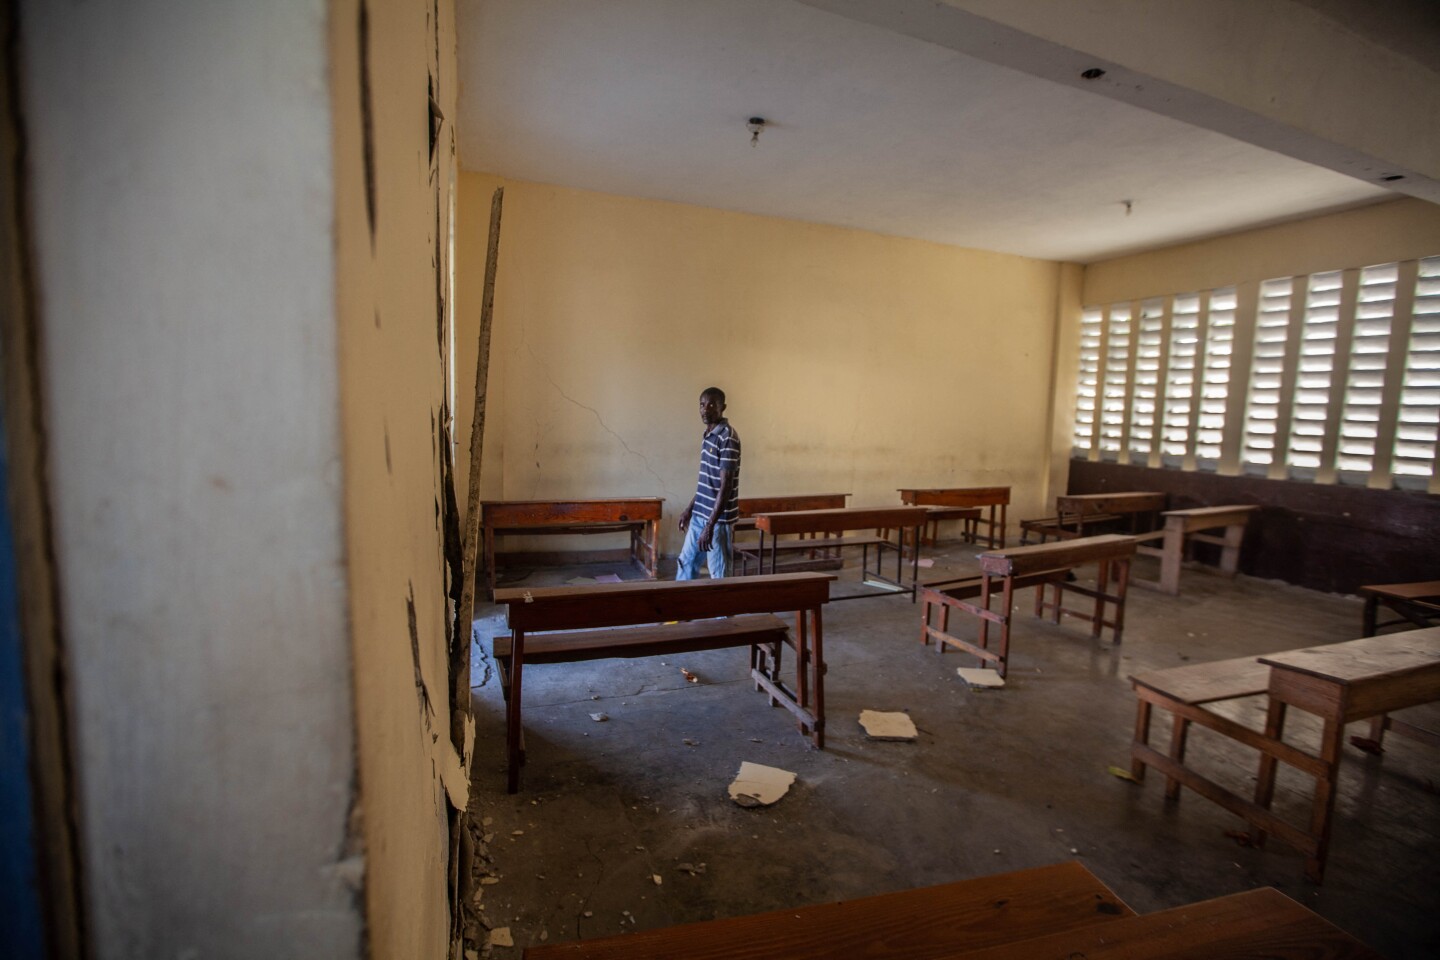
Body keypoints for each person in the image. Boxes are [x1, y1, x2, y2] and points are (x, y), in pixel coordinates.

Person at [676, 387, 741, 579]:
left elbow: (725, 486)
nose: (705, 409)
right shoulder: (708, 435)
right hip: (699, 516)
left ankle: (722, 610)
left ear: (723, 407)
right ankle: (680, 607)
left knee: (719, 575)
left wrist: (710, 526)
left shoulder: (727, 437)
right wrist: (689, 509)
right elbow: (707, 483)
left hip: (717, 521)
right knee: (685, 564)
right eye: (702, 405)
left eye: (712, 404)